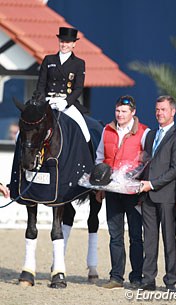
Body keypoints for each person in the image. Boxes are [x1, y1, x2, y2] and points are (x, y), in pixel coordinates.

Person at [36, 26, 99, 280]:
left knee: (84, 130)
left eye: (68, 42)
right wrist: (42, 101)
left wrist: (66, 102)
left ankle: (92, 162)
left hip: (68, 104)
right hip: (48, 101)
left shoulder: (79, 63)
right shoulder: (49, 61)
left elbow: (78, 88)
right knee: (28, 132)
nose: (64, 45)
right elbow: (41, 84)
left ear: (74, 44)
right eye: (62, 41)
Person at [95, 95, 150, 289]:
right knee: (114, 235)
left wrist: (140, 185)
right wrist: (100, 186)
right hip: (112, 190)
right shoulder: (107, 130)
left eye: (124, 111)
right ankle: (116, 277)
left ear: (133, 112)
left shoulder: (144, 132)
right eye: (117, 111)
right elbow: (100, 158)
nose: (120, 114)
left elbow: (148, 161)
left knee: (136, 236)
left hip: (133, 191)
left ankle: (136, 276)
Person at [139, 95, 176, 291]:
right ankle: (148, 279)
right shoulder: (150, 135)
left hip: (166, 196)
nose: (159, 113)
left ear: (172, 112)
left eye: (163, 110)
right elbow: (146, 163)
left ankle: (170, 281)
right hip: (147, 196)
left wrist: (153, 184)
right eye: (157, 109)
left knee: (168, 240)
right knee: (149, 239)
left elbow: (175, 169)